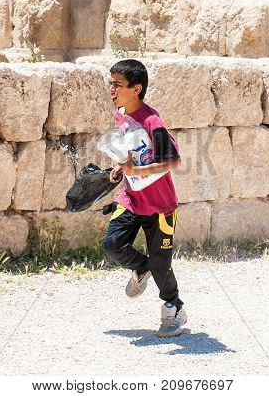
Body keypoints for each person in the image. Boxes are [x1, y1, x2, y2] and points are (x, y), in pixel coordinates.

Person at [102, 59, 187, 337]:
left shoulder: (152, 120)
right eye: (111, 82)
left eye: (118, 84)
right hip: (131, 199)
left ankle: (174, 308)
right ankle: (142, 268)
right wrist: (120, 168)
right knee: (112, 244)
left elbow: (171, 161)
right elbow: (133, 152)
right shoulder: (121, 114)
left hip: (160, 206)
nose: (111, 88)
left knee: (162, 263)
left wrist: (135, 169)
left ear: (136, 88)